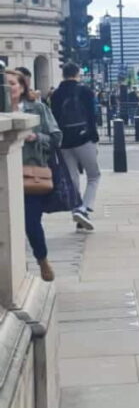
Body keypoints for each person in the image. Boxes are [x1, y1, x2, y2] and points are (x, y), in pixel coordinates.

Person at [8, 69, 62, 282]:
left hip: (31, 174)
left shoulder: (37, 108)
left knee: (31, 221)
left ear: (22, 87)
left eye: (12, 83)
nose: (8, 87)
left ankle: (42, 259)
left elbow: (56, 137)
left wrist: (35, 136)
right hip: (5, 175)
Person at [50, 62, 100, 232]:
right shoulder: (85, 91)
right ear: (77, 73)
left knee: (72, 178)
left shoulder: (55, 94)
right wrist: (94, 137)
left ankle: (77, 208)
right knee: (94, 176)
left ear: (63, 74)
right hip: (84, 138)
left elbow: (54, 119)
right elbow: (92, 116)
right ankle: (84, 208)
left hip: (64, 141)